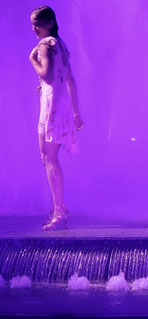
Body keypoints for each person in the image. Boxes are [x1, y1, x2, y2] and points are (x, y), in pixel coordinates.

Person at [29, 6, 83, 230]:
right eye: (32, 24)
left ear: (49, 22)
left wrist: (32, 59)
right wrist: (75, 111)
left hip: (51, 107)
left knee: (49, 158)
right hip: (57, 105)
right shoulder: (60, 44)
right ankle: (58, 207)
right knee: (47, 157)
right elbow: (69, 79)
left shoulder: (44, 45)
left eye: (37, 24)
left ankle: (60, 210)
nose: (34, 29)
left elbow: (48, 75)